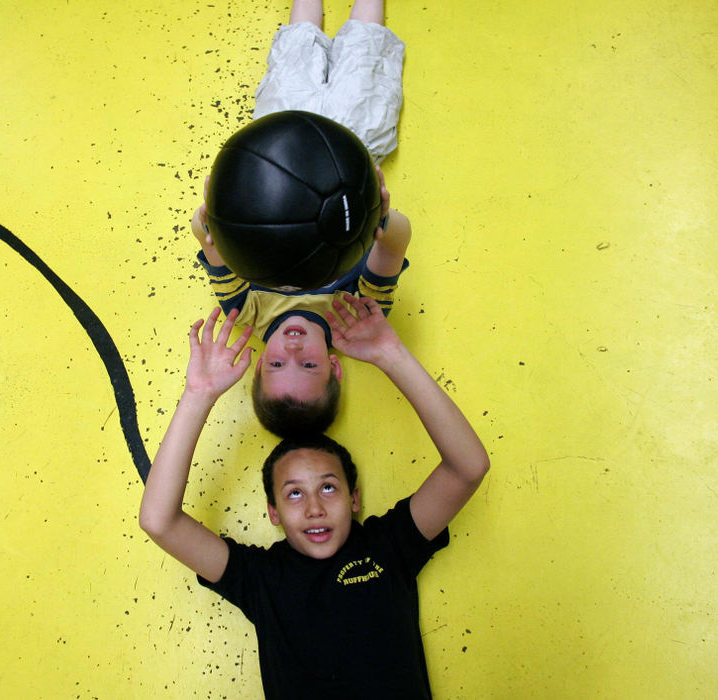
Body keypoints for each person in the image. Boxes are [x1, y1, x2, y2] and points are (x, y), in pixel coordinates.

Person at [139, 295, 490, 698]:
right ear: (272, 512)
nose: (314, 508)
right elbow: (159, 522)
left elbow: (468, 467)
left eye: (328, 487)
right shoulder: (261, 579)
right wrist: (198, 394)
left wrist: (392, 354)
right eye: (293, 494)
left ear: (354, 498)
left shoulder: (388, 548)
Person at [191, 0, 412, 437]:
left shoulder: (244, 313)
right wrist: (381, 218)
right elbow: (396, 245)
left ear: (256, 365)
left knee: (297, 42)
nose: (292, 348)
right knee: (366, 42)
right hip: (353, 148)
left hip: (277, 142)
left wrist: (212, 219)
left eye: (276, 363)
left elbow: (210, 242)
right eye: (308, 364)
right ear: (333, 366)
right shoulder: (356, 317)